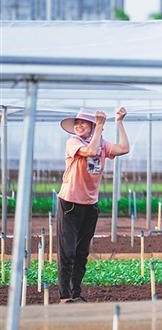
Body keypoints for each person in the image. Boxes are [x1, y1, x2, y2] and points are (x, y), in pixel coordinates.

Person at [56, 107, 130, 303]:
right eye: (77, 123)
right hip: (70, 203)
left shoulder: (103, 144)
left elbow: (124, 148)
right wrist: (99, 126)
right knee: (67, 251)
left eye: (83, 122)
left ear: (91, 125)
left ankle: (76, 294)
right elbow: (90, 151)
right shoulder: (73, 142)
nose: (78, 126)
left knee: (81, 252)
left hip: (90, 205)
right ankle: (64, 296)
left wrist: (119, 123)